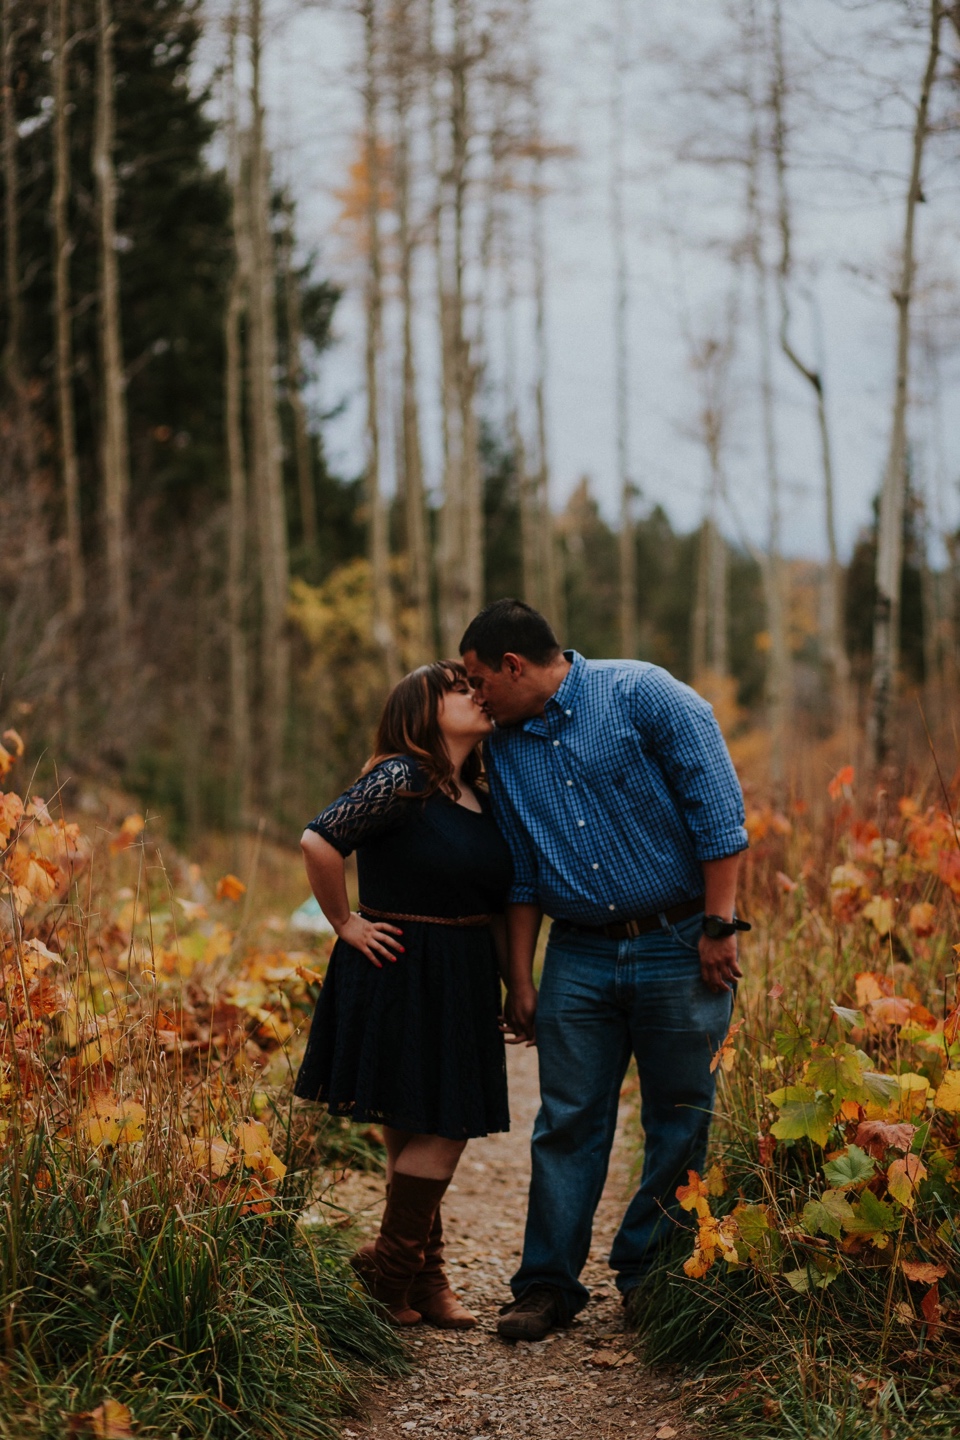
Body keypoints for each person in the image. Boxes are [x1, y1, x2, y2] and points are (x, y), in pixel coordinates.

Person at [459, 599, 749, 1342]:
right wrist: (520, 981)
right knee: (567, 1121)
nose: (476, 696)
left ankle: (650, 1276)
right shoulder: (506, 746)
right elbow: (523, 874)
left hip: (679, 941)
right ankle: (547, 1286)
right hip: (579, 953)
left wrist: (718, 926)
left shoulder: (643, 693)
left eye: (479, 679)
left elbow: (719, 814)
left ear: (515, 666)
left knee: (681, 1116)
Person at [294, 661, 512, 1329]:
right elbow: (319, 840)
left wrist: (511, 981)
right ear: (420, 709)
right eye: (458, 687)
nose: (478, 693)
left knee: (420, 1130)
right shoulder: (401, 778)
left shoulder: (477, 792)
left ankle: (425, 1280)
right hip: (400, 964)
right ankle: (390, 1279)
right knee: (444, 1128)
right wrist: (344, 923)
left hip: (463, 967)